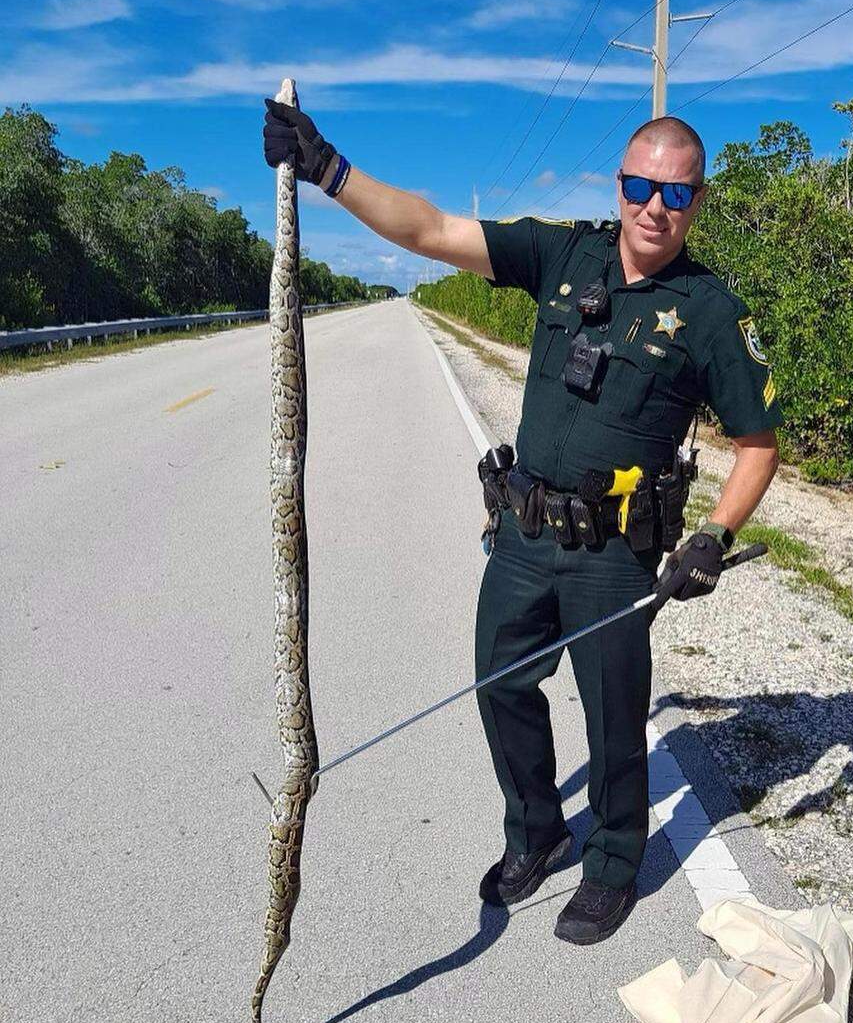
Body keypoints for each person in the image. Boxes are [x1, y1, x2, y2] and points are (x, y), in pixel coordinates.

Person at [264, 101, 782, 944]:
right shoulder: (562, 252)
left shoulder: (712, 311)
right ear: (620, 185)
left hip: (617, 549)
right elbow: (430, 229)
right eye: (643, 186)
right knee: (500, 685)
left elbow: (758, 446)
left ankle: (615, 863)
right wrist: (330, 171)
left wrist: (712, 537)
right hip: (523, 534)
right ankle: (536, 832)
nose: (657, 207)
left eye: (676, 194)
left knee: (614, 718)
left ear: (697, 201)